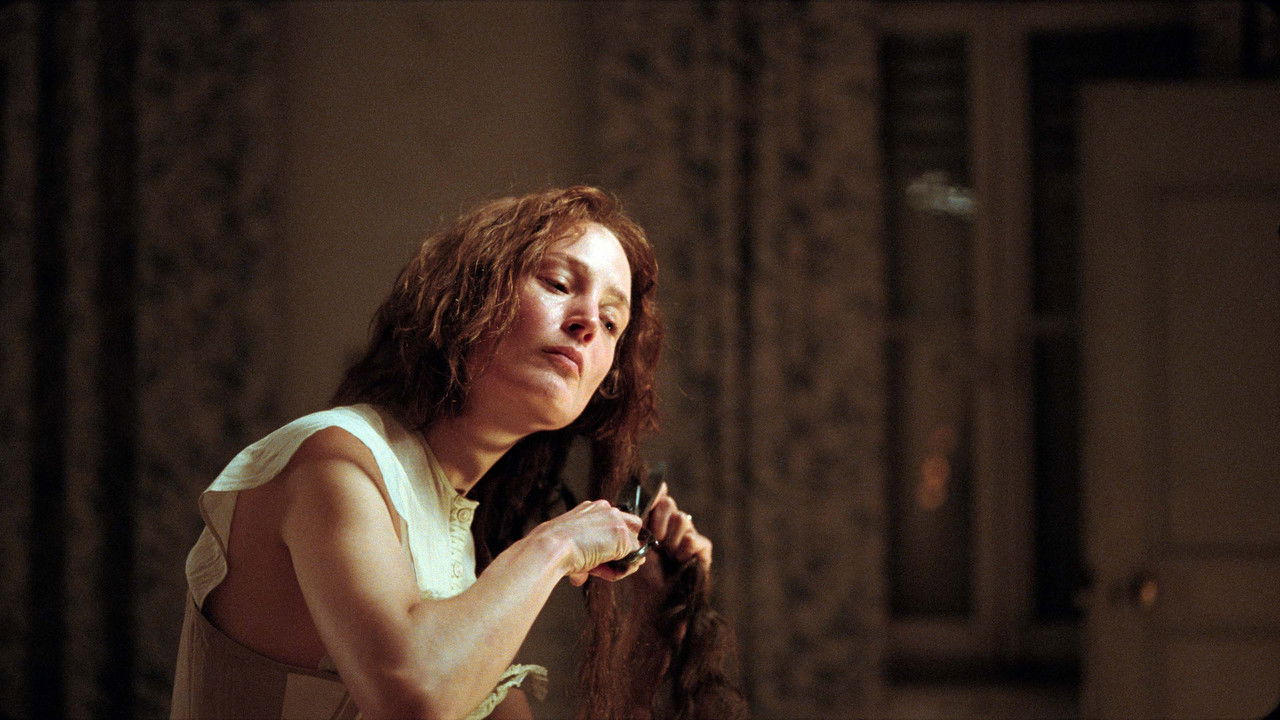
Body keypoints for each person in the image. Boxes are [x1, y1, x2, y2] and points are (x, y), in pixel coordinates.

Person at [170, 186, 744, 720]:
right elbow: (411, 694)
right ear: (471, 294)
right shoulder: (334, 459)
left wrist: (655, 622)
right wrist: (560, 542)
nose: (589, 322)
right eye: (557, 283)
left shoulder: (459, 549)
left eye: (613, 321)